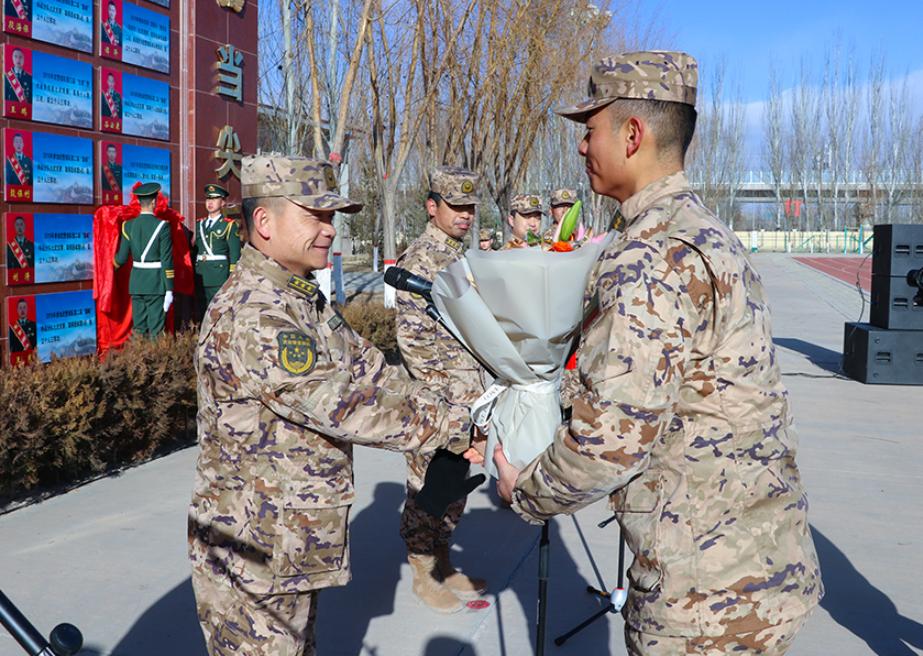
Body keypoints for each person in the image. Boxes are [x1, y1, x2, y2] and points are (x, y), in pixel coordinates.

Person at [487, 51, 823, 654]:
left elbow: (611, 438)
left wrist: (527, 491)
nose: (582, 148)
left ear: (633, 134)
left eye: (589, 132)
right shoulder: (708, 233)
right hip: (760, 564)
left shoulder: (650, 256)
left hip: (702, 599)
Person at [188, 155, 480, 655]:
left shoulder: (300, 300)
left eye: (332, 218)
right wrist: (451, 425)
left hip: (288, 540)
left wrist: (467, 411)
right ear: (264, 222)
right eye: (314, 216)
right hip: (253, 548)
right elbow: (344, 405)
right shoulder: (256, 313)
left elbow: (372, 373)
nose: (329, 231)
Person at [394, 166, 487, 613]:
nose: (465, 215)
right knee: (426, 486)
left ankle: (445, 560)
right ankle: (423, 570)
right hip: (437, 401)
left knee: (455, 486)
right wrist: (444, 400)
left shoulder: (461, 258)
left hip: (470, 397)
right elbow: (413, 341)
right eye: (456, 207)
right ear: (433, 208)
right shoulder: (421, 260)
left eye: (470, 207)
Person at [113, 182, 174, 338]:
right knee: (156, 331)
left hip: (136, 284)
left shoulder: (127, 226)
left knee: (139, 329)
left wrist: (110, 266)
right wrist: (169, 289)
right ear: (154, 202)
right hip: (155, 284)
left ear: (139, 202)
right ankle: (156, 361)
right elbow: (167, 260)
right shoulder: (163, 226)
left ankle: (137, 359)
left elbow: (121, 259)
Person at [193, 183, 240, 310]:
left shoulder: (228, 225)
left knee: (217, 309)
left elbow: (235, 255)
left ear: (223, 202)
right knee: (201, 310)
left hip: (219, 274)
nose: (210, 202)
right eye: (208, 199)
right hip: (200, 273)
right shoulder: (199, 224)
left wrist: (231, 278)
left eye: (214, 199)